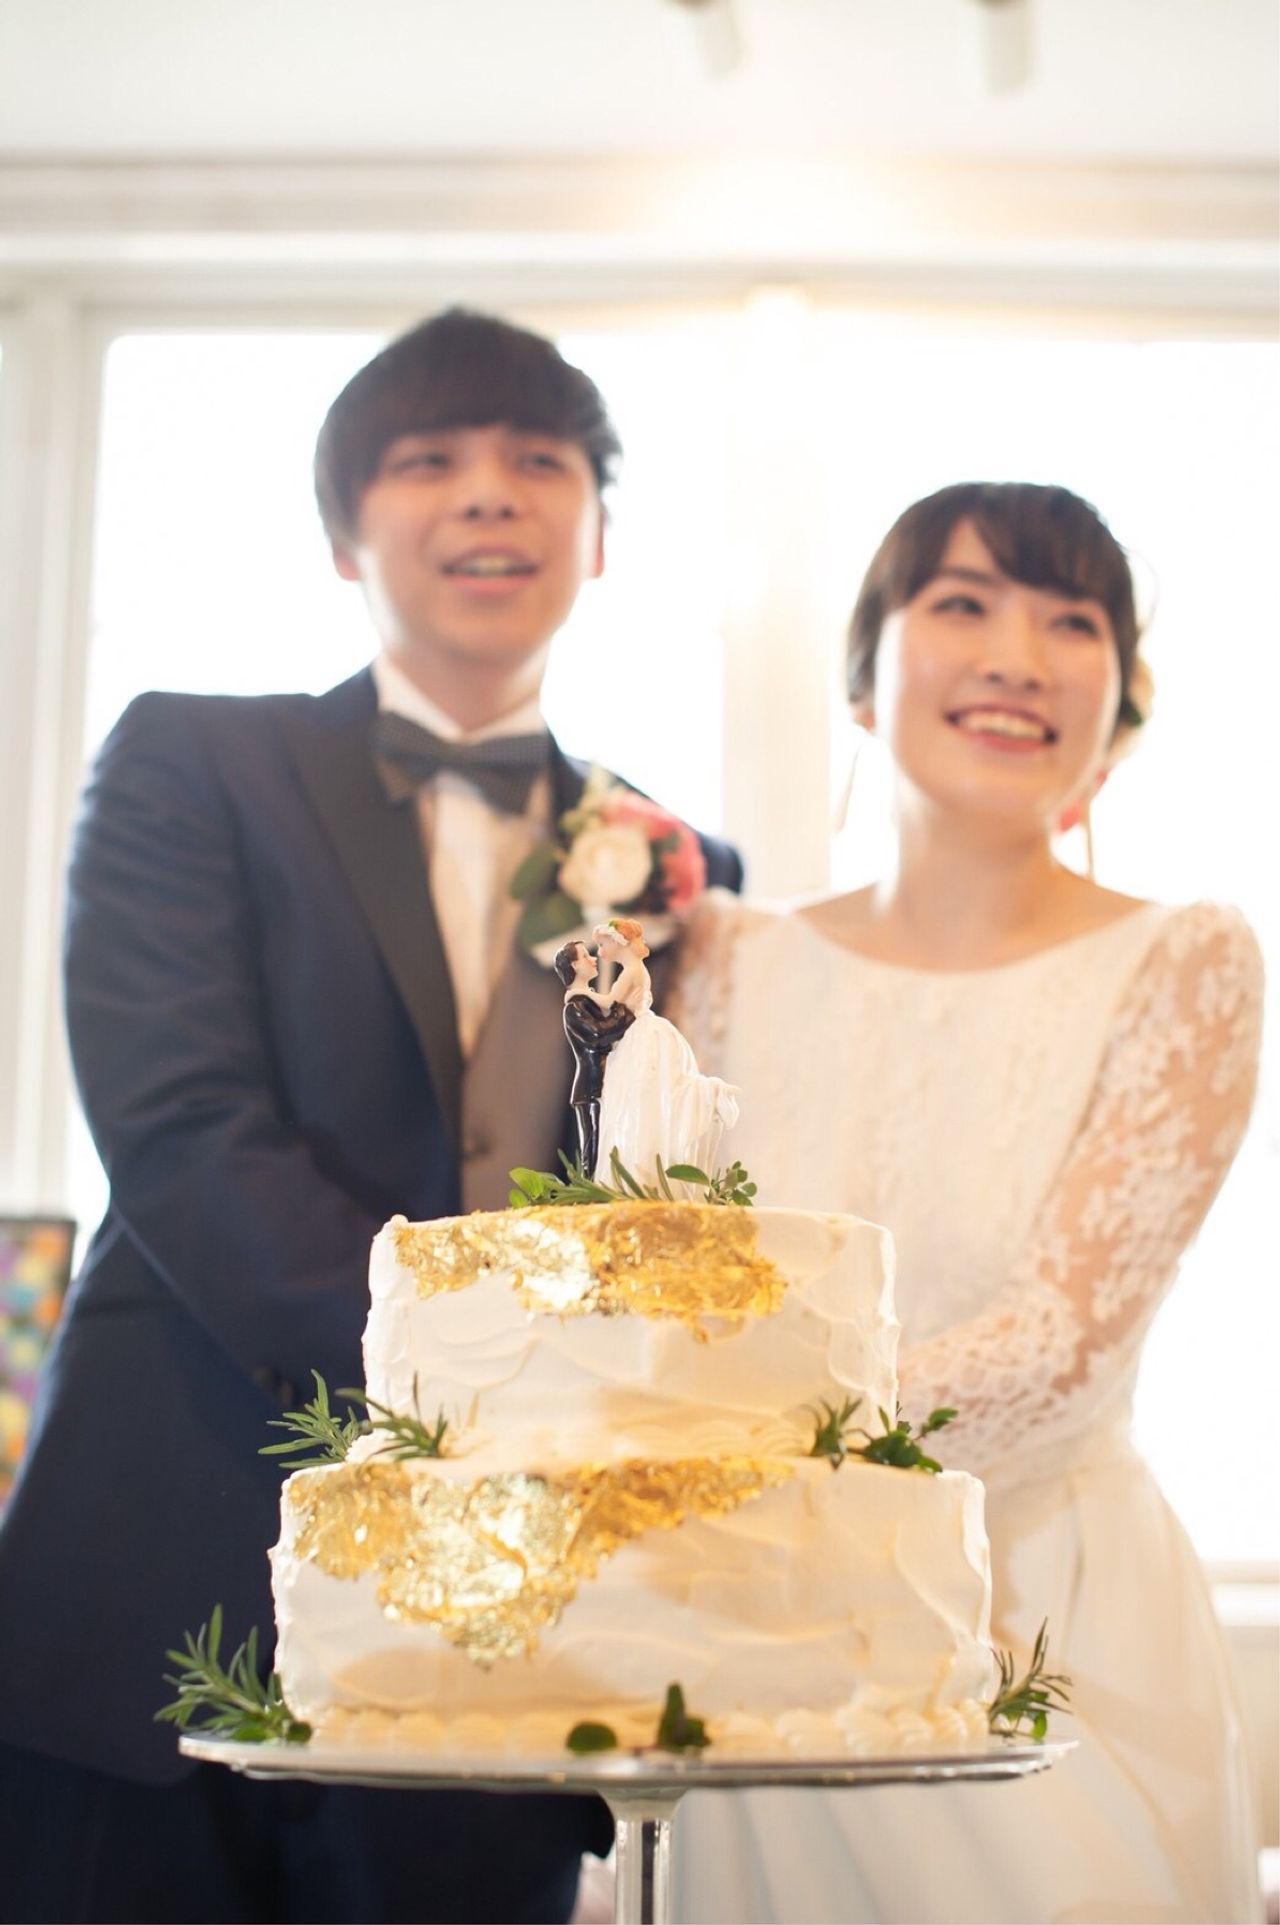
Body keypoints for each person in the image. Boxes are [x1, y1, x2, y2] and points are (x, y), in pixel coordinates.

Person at [0, 307, 742, 1925]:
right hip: (168, 1560)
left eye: (538, 461)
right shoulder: (194, 758)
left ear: (599, 537)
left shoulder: (679, 865)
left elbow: (666, 1207)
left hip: (506, 1624)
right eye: (429, 461)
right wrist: (472, 1379)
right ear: (345, 533)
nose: (488, 493)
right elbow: (184, 1129)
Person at [668, 481, 1263, 1924]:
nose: (1016, 657)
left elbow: (1063, 1350)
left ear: (1118, 707)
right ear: (861, 679)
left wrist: (736, 1458)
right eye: (961, 604)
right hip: (753, 1625)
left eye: (1073, 622)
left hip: (1042, 1615)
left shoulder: (1186, 961)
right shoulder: (724, 959)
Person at [591, 918, 739, 1186]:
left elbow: (609, 1002)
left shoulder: (630, 972)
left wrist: (580, 993)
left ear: (618, 942)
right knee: (643, 1097)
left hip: (638, 1035)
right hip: (643, 1030)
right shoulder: (636, 969)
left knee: (640, 1095)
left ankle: (639, 1166)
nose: (600, 951)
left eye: (603, 945)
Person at [555, 937, 635, 1176]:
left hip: (605, 1083)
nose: (592, 959)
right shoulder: (574, 1009)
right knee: (593, 1150)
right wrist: (623, 1013)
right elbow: (598, 1035)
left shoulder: (588, 1002)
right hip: (591, 1088)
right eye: (584, 956)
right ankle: (592, 1189)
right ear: (574, 966)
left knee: (609, 1142)